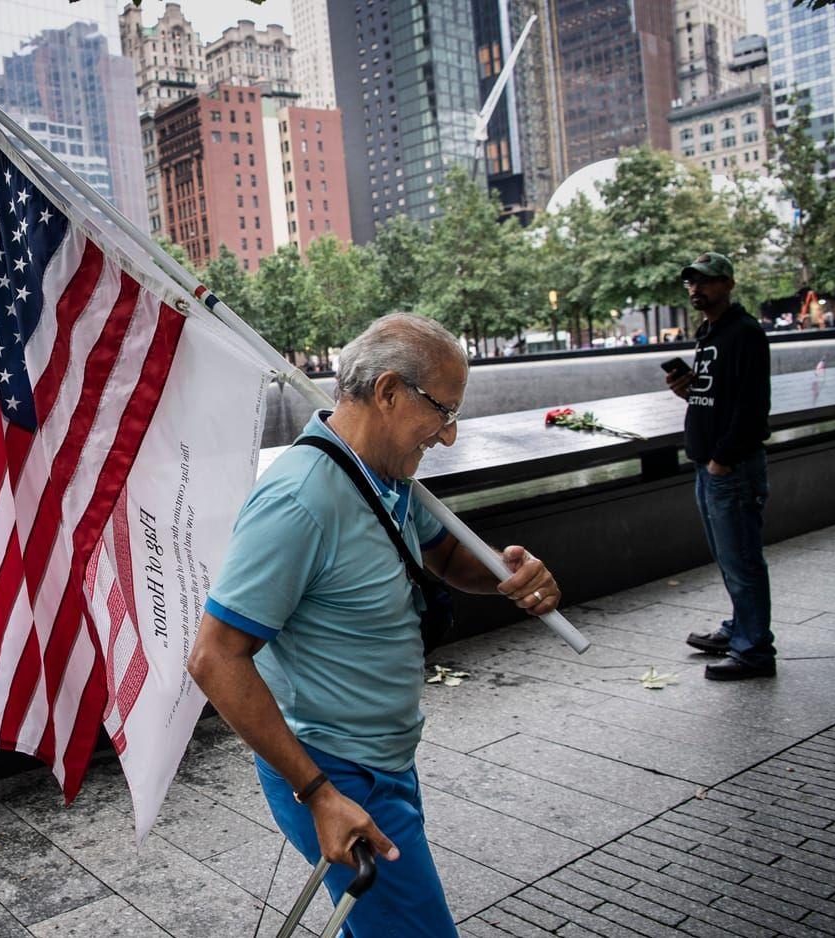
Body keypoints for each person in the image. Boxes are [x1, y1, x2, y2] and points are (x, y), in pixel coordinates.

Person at [188, 313, 562, 936]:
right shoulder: (299, 500)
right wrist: (320, 796)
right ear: (388, 392)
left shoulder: (383, 476)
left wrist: (506, 573)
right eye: (443, 412)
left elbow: (441, 556)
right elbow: (214, 657)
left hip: (384, 760)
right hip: (337, 770)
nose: (447, 437)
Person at [664, 252, 774, 680]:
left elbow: (751, 407)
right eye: (691, 282)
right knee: (730, 559)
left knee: (743, 560)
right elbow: (715, 397)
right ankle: (741, 629)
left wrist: (722, 462)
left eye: (705, 282)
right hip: (709, 466)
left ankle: (754, 651)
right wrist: (687, 391)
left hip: (732, 469)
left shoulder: (744, 334)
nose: (696, 289)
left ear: (728, 283)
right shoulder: (709, 332)